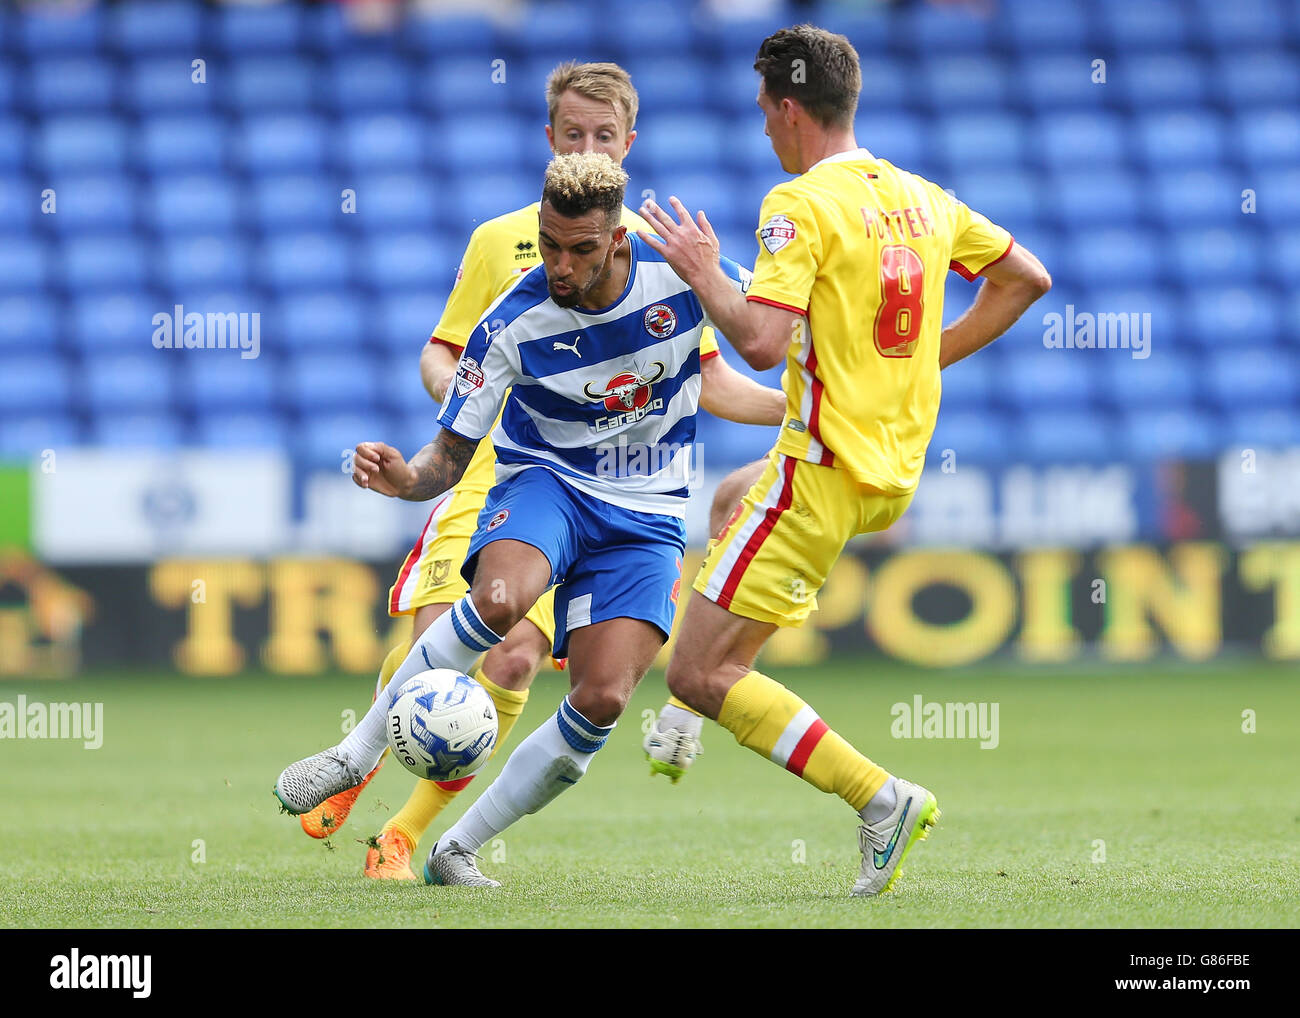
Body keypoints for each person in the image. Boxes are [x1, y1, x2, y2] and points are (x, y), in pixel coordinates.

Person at [295, 61, 783, 880]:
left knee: (599, 698)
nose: (561, 265)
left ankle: (448, 844)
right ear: (548, 138)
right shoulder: (509, 277)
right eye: (572, 131)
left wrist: (805, 411)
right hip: (534, 470)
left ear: (629, 152)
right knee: (497, 612)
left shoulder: (681, 268)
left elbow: (743, 356)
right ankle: (355, 760)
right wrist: (425, 452)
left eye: (603, 134)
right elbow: (446, 417)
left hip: (648, 504)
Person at [637, 24, 1051, 895]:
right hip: (885, 471)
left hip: (820, 474)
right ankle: (684, 719)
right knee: (728, 501)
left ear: (790, 111)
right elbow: (1026, 279)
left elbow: (757, 341)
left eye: (763, 111)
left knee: (702, 668)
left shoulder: (800, 204)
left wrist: (705, 272)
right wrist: (926, 354)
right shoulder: (922, 196)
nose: (760, 129)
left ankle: (879, 798)